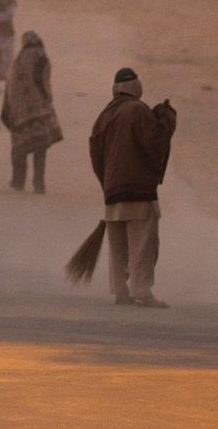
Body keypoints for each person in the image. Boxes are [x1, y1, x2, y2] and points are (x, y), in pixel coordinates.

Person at [89, 68, 178, 307]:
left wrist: (107, 184)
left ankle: (121, 291)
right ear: (136, 87)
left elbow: (95, 153)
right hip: (138, 191)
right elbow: (155, 142)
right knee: (142, 245)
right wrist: (167, 119)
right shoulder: (138, 110)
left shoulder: (104, 115)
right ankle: (142, 291)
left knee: (118, 248)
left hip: (112, 192)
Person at [2, 31, 63, 192]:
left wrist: (9, 108)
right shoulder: (42, 57)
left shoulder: (17, 61)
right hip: (38, 110)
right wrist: (47, 100)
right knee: (40, 147)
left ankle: (18, 181)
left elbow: (10, 85)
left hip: (19, 110)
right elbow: (44, 82)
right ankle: (39, 183)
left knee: (19, 146)